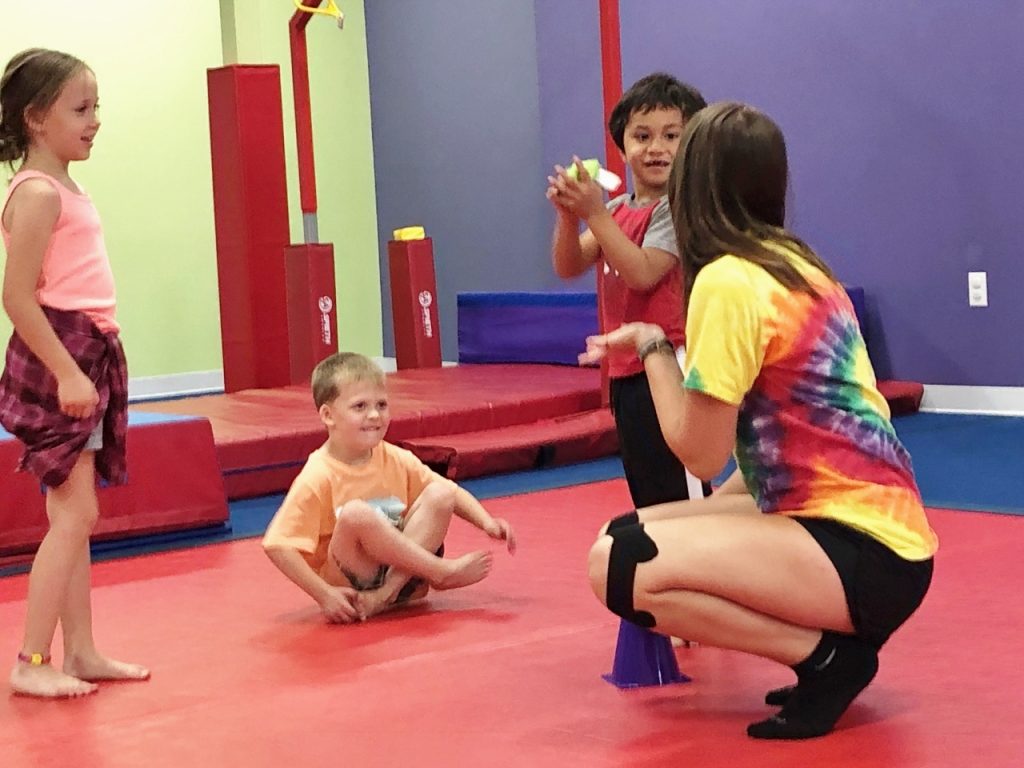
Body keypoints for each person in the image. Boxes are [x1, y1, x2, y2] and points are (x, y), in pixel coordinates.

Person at [581, 102, 937, 740]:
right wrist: (714, 525)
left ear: (692, 185)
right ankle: (827, 648)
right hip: (885, 539)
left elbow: (697, 453)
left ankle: (827, 657)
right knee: (627, 530)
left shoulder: (727, 281)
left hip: (858, 549)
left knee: (619, 562)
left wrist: (653, 346)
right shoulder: (795, 263)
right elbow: (783, 432)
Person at [0, 48, 150, 698]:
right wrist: (65, 372)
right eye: (80, 109)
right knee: (73, 512)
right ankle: (31, 661)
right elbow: (17, 295)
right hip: (61, 352)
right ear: (36, 118)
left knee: (76, 515)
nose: (94, 122)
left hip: (86, 349)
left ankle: (81, 650)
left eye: (97, 109)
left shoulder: (64, 186)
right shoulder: (35, 193)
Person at [546, 72, 709, 510]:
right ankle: (666, 566)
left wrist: (594, 214)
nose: (656, 148)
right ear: (622, 147)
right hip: (626, 370)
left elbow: (641, 273)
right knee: (648, 485)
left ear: (692, 142)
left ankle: (699, 562)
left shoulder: (678, 208)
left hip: (670, 361)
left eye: (672, 136)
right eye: (642, 136)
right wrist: (568, 215)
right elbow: (568, 265)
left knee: (681, 484)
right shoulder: (617, 209)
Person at [262, 353, 516, 623]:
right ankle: (439, 572)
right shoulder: (318, 474)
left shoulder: (395, 457)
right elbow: (277, 544)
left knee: (439, 494)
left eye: (381, 405)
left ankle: (385, 596)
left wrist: (486, 522)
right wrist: (324, 594)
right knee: (356, 514)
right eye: (359, 407)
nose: (374, 415)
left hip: (400, 577)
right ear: (328, 415)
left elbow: (451, 492)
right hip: (352, 582)